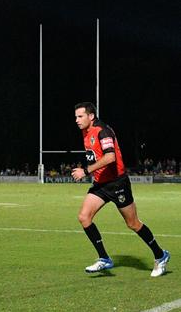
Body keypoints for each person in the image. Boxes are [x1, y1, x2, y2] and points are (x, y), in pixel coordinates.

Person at [71, 102, 170, 277]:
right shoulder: (85, 132)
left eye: (80, 116)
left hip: (117, 183)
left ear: (91, 116)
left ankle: (160, 255)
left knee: (133, 223)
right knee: (84, 217)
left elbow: (110, 157)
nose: (76, 120)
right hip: (101, 184)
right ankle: (104, 258)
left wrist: (85, 171)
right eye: (76, 117)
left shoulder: (103, 131)